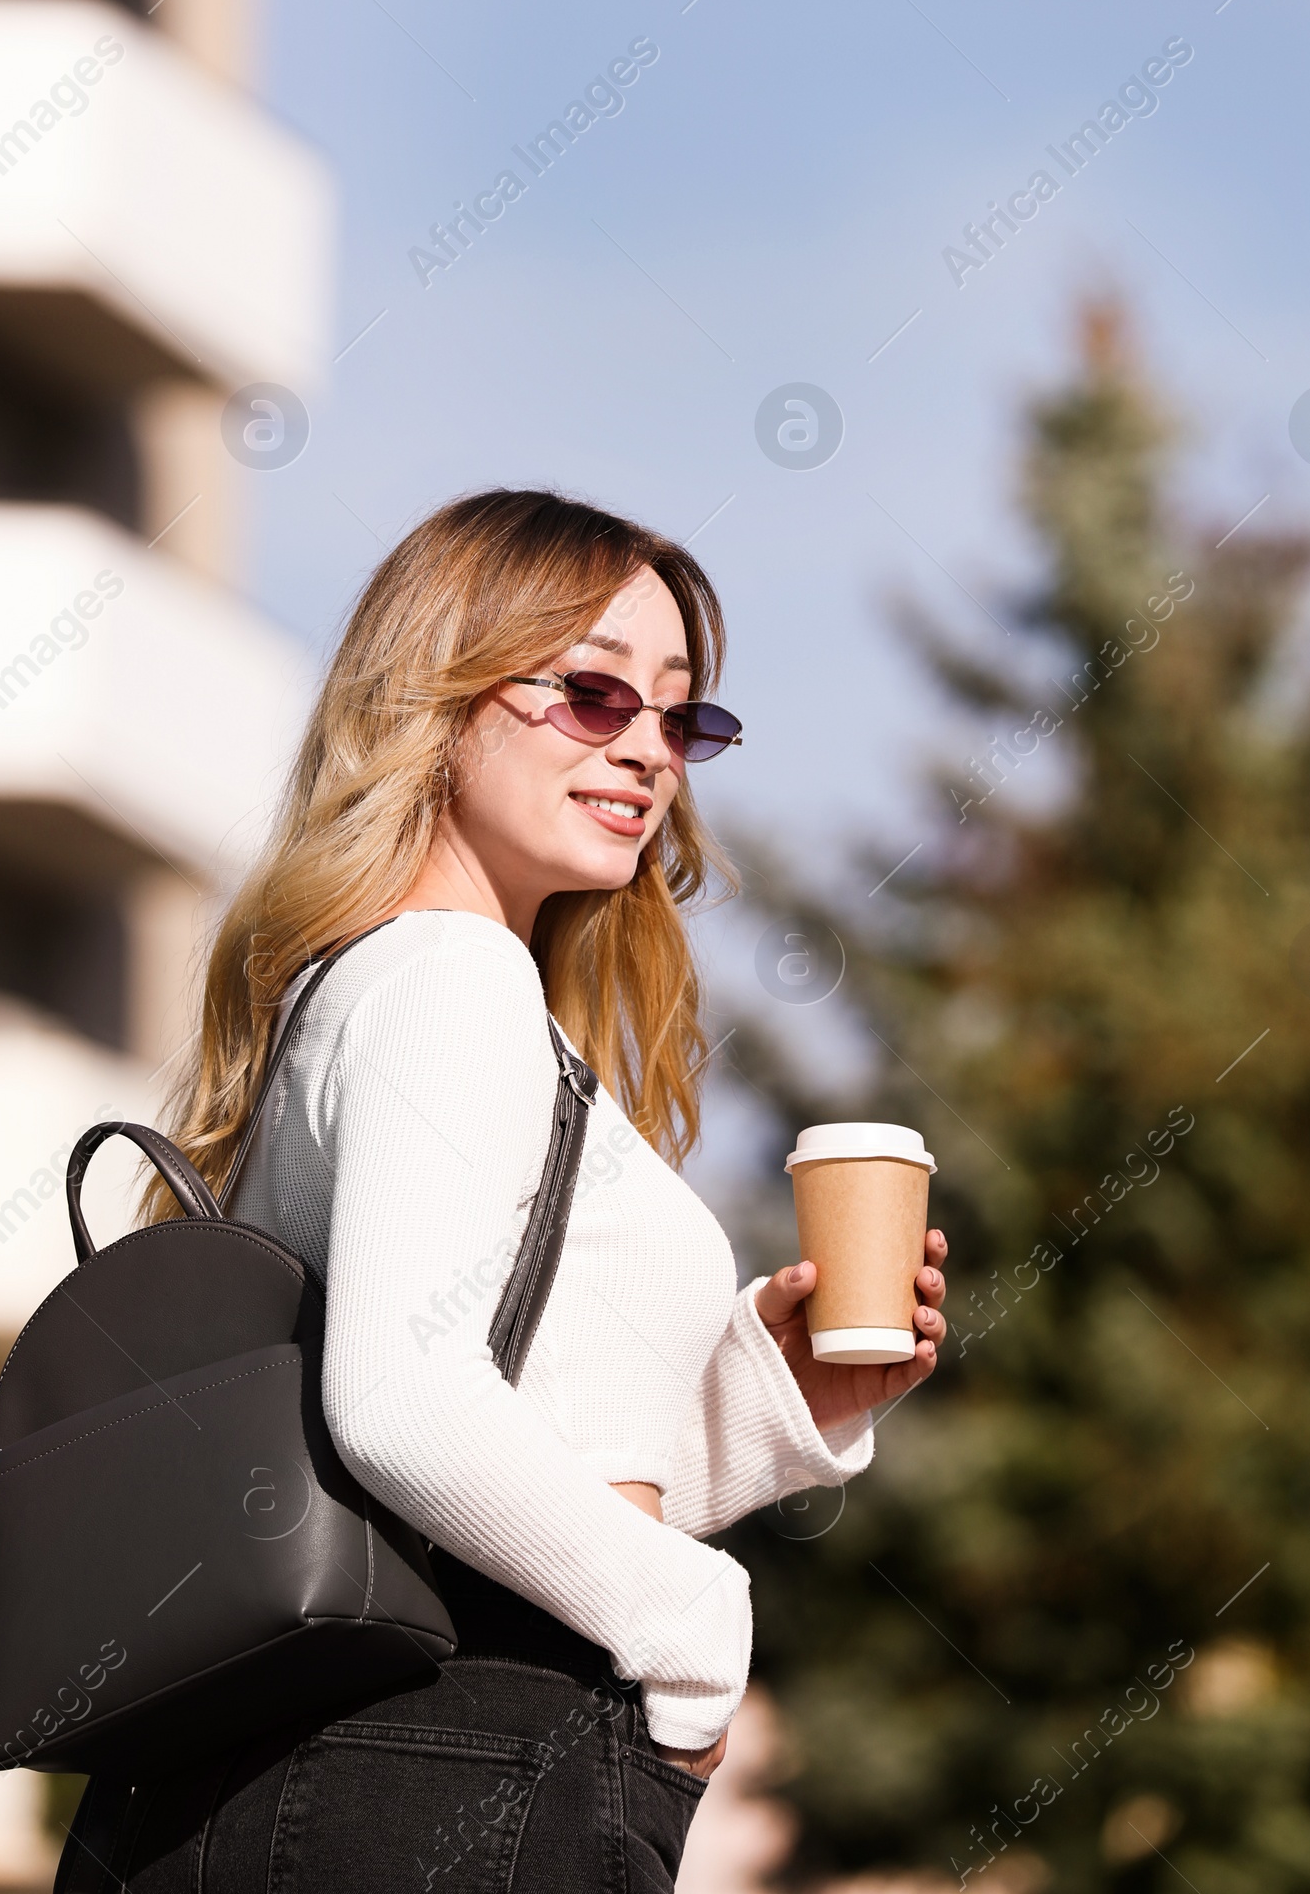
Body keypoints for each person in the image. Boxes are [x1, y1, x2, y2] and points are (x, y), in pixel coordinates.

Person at [59, 488, 947, 1894]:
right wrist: (696, 1627)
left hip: (353, 1763)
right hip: (460, 1754)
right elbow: (403, 1407)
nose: (650, 750)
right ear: (440, 698)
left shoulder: (377, 990)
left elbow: (503, 1444)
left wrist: (775, 1415)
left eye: (681, 718)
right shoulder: (448, 976)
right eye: (596, 697)